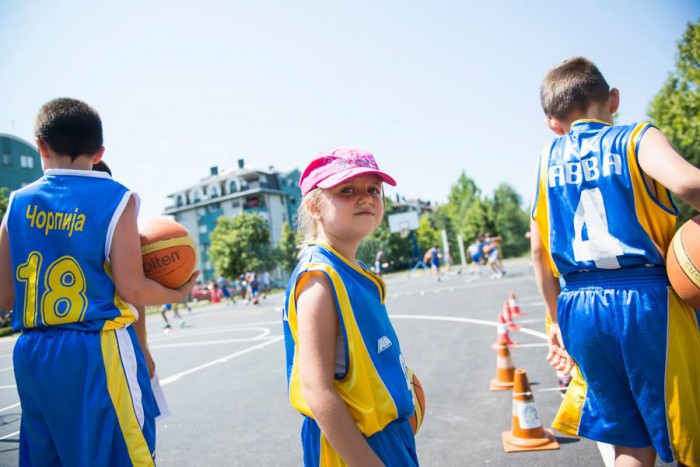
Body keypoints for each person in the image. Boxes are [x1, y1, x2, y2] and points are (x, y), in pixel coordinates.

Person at [0, 98, 198, 466]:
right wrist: (179, 291)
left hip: (32, 354)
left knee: (49, 456)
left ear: (40, 145)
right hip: (95, 349)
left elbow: (5, 298)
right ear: (99, 151)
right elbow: (132, 289)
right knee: (120, 455)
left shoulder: (16, 203)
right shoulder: (115, 197)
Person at [531, 57, 700, 466]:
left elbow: (538, 250)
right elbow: (689, 183)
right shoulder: (636, 138)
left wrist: (555, 322)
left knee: (630, 446)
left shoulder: (546, 158)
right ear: (614, 100)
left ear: (553, 122)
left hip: (580, 307)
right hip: (647, 302)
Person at [282, 147, 419, 466]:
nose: (365, 197)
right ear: (314, 206)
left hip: (385, 437)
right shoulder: (319, 280)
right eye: (347, 190)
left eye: (374, 189)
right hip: (349, 447)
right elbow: (317, 391)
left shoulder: (353, 270)